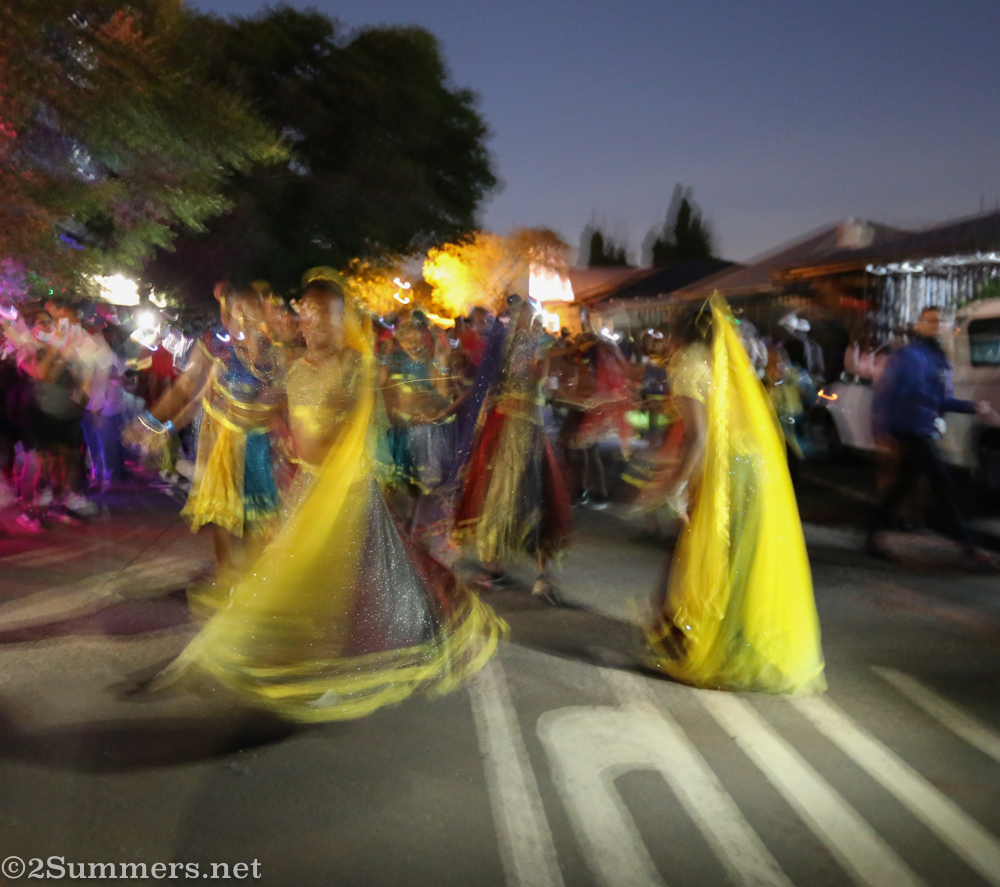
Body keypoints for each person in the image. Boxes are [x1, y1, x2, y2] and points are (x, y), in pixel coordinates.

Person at [156, 275, 504, 722]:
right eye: (308, 315)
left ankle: (344, 666)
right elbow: (257, 407)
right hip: (306, 490)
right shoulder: (291, 367)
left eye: (326, 316)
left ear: (343, 321)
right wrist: (215, 416)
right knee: (302, 582)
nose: (314, 324)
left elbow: (385, 409)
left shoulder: (358, 366)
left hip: (348, 493)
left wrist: (432, 403)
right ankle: (298, 663)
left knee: (346, 587)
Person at [646, 297, 825, 695]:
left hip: (728, 471)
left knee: (708, 552)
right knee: (739, 555)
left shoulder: (688, 364)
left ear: (680, 330)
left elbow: (698, 437)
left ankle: (699, 639)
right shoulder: (724, 358)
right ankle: (733, 641)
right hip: (753, 467)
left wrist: (675, 488)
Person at [456, 298, 573, 601]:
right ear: (521, 318)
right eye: (530, 316)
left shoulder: (517, 344)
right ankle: (533, 574)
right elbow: (534, 381)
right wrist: (549, 366)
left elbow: (522, 384)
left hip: (514, 423)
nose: (533, 321)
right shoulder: (525, 344)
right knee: (527, 495)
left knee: (509, 495)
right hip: (517, 427)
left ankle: (498, 567)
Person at [867, 306, 998, 568]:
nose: (939, 327)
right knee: (945, 486)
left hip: (923, 430)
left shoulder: (940, 360)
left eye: (944, 322)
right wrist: (882, 432)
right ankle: (970, 548)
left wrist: (974, 407)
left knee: (902, 487)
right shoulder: (908, 356)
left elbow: (942, 398)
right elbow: (886, 394)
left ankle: (871, 536)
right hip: (910, 432)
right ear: (920, 326)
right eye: (932, 322)